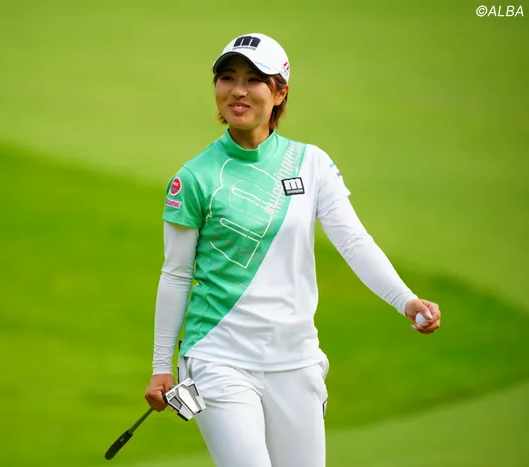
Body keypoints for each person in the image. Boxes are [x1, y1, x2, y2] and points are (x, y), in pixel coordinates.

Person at [143, 32, 441, 467]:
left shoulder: (311, 163)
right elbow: (175, 274)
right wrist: (160, 365)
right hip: (219, 358)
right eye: (227, 78)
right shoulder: (193, 178)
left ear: (280, 92)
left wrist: (405, 300)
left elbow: (353, 241)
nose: (238, 91)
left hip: (296, 360)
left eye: (254, 80)